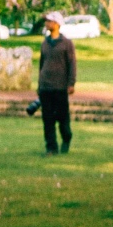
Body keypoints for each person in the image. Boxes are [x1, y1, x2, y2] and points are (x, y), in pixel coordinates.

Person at [36, 13, 77, 154]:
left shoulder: (66, 44)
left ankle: (66, 138)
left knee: (62, 118)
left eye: (50, 21)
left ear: (57, 24)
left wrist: (71, 83)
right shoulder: (45, 43)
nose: (47, 23)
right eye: (46, 21)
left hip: (60, 87)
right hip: (46, 86)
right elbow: (42, 64)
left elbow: (72, 64)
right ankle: (51, 147)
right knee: (48, 120)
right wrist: (39, 84)